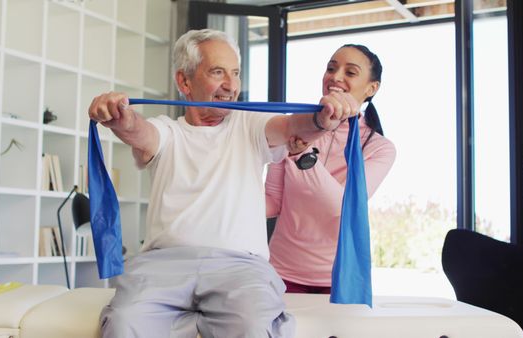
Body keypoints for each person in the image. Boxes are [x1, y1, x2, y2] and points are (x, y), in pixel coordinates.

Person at [88, 29, 358, 338]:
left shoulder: (250, 124)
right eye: (218, 72)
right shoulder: (168, 132)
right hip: (163, 266)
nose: (231, 86)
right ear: (184, 81)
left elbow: (292, 125)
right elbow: (140, 132)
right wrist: (119, 117)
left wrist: (323, 119)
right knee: (124, 322)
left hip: (240, 269)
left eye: (236, 73)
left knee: (254, 327)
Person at [265, 44, 396, 294]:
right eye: (331, 68)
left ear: (371, 88)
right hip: (279, 274)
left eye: (350, 72)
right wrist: (218, 199)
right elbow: (273, 201)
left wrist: (301, 153)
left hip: (338, 279)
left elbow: (342, 206)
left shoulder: (380, 149)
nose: (335, 77)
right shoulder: (295, 125)